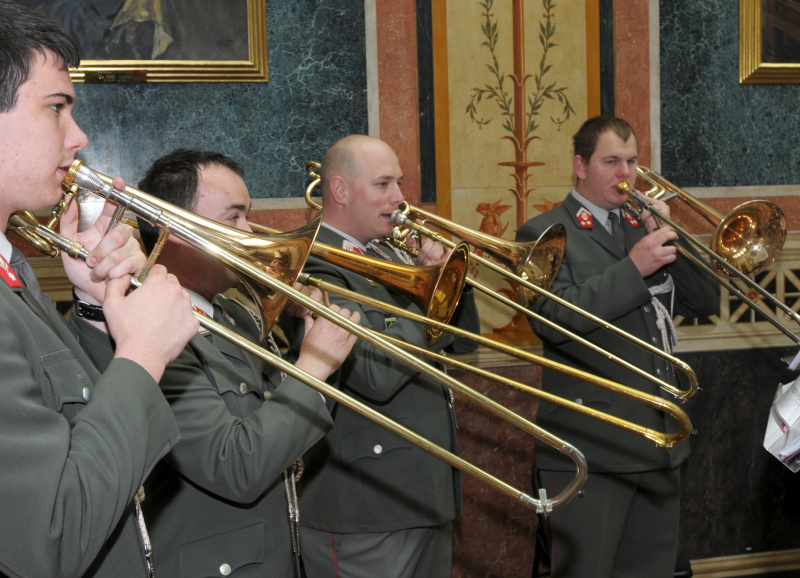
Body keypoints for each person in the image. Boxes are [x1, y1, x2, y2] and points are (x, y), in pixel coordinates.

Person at [70, 148, 361, 578]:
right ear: (181, 232)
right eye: (235, 218)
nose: (254, 234)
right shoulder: (145, 331)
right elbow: (236, 466)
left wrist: (309, 348)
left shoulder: (234, 313)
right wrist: (313, 367)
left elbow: (291, 442)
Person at [0, 2, 199, 576]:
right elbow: (52, 536)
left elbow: (75, 429)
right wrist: (141, 356)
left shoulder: (16, 269)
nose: (78, 137)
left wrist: (92, 304)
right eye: (57, 108)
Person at [515, 116, 720, 577]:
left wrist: (674, 238)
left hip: (659, 442)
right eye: (611, 161)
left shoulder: (639, 227)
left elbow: (705, 301)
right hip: (593, 449)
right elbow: (553, 320)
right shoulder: (543, 233)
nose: (625, 173)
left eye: (631, 161)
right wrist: (633, 268)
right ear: (580, 166)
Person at [285, 134, 480, 578]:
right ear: (340, 191)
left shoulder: (391, 251)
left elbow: (465, 342)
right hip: (364, 507)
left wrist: (452, 282)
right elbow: (375, 375)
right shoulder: (312, 265)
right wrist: (430, 297)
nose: (400, 199)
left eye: (399, 183)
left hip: (425, 490)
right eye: (383, 184)